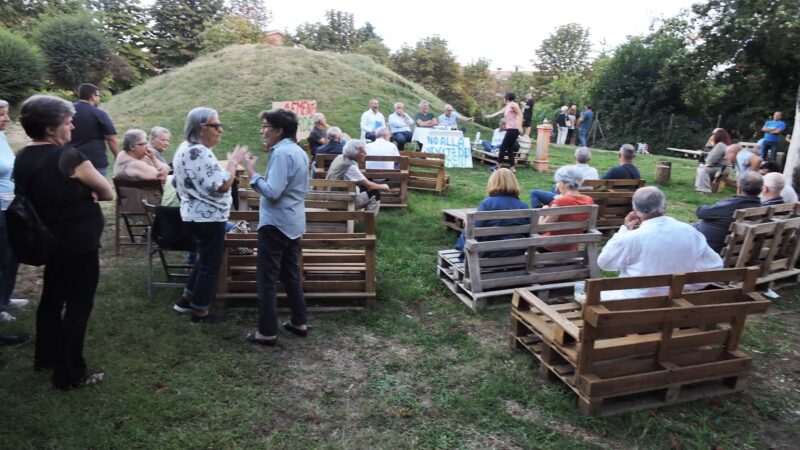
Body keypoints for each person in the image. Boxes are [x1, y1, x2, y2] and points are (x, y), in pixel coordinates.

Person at [14, 94, 114, 389]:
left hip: (48, 240)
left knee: (51, 298)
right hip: (78, 243)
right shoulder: (68, 156)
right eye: (67, 121)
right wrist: (87, 192)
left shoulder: (23, 156)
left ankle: (45, 356)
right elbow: (106, 191)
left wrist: (81, 191)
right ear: (50, 128)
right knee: (78, 305)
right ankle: (70, 373)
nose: (72, 126)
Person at [171, 107, 248, 323]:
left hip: (193, 215)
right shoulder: (200, 152)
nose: (220, 130)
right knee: (209, 264)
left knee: (203, 259)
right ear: (201, 127)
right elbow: (222, 186)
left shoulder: (184, 148)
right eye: (216, 125)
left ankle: (186, 300)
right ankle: (200, 311)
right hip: (208, 217)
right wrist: (233, 163)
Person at [244, 108, 309, 346]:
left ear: (279, 131)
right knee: (290, 274)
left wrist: (252, 173)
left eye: (266, 127)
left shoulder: (281, 154)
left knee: (267, 278)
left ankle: (266, 332)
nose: (263, 131)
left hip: (276, 224)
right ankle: (299, 322)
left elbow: (272, 193)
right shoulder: (299, 152)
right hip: (292, 222)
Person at [597, 186, 722, 300]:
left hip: (631, 305)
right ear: (664, 206)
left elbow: (605, 263)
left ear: (635, 210)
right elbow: (715, 265)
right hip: (674, 303)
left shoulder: (630, 238)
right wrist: (688, 285)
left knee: (584, 289)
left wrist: (624, 230)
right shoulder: (690, 232)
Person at [454, 168, 529, 259]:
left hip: (489, 254)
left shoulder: (487, 204)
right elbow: (528, 234)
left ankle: (461, 251)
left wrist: (467, 223)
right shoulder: (523, 206)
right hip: (515, 253)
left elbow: (475, 232)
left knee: (469, 227)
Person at [0, 100, 28, 324]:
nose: (7, 119)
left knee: (11, 255)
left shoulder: (1, 137)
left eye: (6, 114)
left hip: (10, 208)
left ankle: (6, 298)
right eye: (1, 115)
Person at [694, 171, 763, 253]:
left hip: (710, 252)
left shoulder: (731, 206)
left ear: (739, 187)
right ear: (761, 190)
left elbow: (701, 212)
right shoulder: (761, 210)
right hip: (735, 253)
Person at [537, 166, 595, 252]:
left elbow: (540, 230)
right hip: (572, 248)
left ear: (562, 183)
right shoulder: (589, 200)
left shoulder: (560, 202)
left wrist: (542, 212)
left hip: (551, 248)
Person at [68, 83, 120, 176]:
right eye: (98, 96)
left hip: (71, 161)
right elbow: (111, 139)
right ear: (93, 96)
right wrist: (118, 157)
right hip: (95, 161)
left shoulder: (67, 112)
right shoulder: (99, 113)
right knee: (98, 190)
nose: (99, 99)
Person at [326, 140, 390, 212]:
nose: (365, 153)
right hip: (339, 202)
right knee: (374, 193)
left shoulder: (340, 157)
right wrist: (384, 186)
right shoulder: (350, 166)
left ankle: (361, 216)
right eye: (362, 152)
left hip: (331, 196)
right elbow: (370, 185)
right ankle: (369, 221)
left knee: (362, 187)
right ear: (355, 153)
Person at [529, 147, 599, 208]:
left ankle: (541, 214)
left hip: (568, 199)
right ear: (589, 159)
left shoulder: (570, 170)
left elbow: (558, 189)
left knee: (534, 192)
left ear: (574, 157)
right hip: (585, 199)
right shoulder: (594, 171)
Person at [485, 92, 523, 172]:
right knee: (509, 149)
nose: (503, 99)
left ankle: (497, 167)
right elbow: (499, 112)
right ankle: (512, 168)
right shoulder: (508, 106)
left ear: (507, 98)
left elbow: (520, 113)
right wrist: (490, 116)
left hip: (513, 129)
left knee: (502, 147)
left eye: (504, 97)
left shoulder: (513, 104)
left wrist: (520, 125)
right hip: (511, 130)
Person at [695, 128, 732, 193]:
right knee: (701, 168)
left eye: (714, 135)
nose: (713, 136)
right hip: (722, 167)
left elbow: (713, 158)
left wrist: (706, 165)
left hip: (721, 168)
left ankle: (703, 190)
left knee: (702, 169)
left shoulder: (720, 145)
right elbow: (711, 152)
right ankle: (700, 187)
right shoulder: (723, 144)